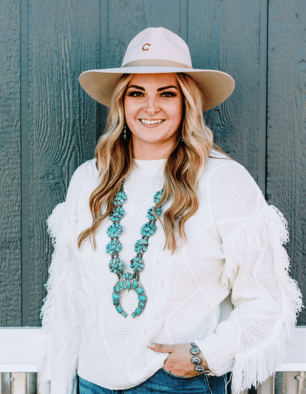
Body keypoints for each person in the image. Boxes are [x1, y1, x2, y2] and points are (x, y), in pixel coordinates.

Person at [37, 27, 302, 394]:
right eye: (136, 93)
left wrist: (205, 355)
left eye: (166, 93)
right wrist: (61, 384)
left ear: (186, 103)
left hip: (174, 383)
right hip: (92, 382)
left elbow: (268, 299)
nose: (150, 107)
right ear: (122, 103)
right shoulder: (89, 179)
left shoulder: (222, 181)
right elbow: (67, 300)